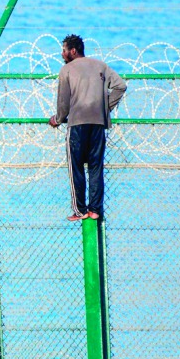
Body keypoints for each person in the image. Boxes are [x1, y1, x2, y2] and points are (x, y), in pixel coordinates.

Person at [48, 34, 127, 221]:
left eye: (64, 50)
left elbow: (63, 101)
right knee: (95, 167)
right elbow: (120, 86)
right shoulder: (100, 66)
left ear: (72, 51)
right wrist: (104, 108)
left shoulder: (66, 69)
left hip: (77, 124)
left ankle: (80, 210)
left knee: (75, 167)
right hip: (98, 124)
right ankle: (94, 210)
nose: (62, 53)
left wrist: (58, 119)